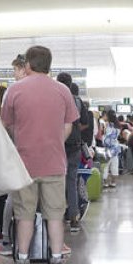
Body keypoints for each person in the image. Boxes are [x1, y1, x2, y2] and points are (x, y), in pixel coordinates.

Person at [1, 45, 79, 264]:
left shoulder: (15, 90)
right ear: (49, 65)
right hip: (55, 162)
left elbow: (6, 124)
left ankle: (23, 261)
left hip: (24, 163)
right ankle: (56, 260)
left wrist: (21, 138)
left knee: (24, 213)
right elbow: (69, 124)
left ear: (27, 65)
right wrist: (55, 141)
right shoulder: (63, 90)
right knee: (55, 213)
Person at [56, 73, 85, 229]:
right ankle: (73, 215)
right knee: (72, 182)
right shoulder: (78, 101)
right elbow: (84, 123)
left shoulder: (56, 98)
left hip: (58, 146)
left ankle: (57, 216)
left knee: (56, 182)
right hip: (75, 146)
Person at [101, 110, 123, 188]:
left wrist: (103, 141)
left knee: (106, 166)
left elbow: (108, 138)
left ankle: (105, 182)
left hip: (109, 149)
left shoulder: (108, 125)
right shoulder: (118, 125)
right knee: (114, 165)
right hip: (116, 148)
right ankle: (113, 182)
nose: (104, 117)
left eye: (106, 115)